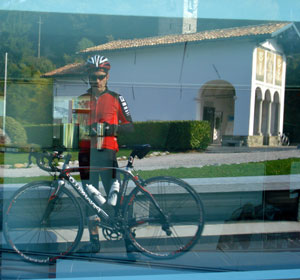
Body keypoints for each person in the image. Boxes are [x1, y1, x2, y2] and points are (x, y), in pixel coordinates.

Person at [75, 55, 133, 253]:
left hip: (107, 153)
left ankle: (129, 239)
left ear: (107, 76)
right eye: (93, 76)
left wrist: (108, 129)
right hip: (86, 154)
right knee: (89, 200)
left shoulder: (116, 98)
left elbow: (130, 127)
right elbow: (75, 130)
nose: (97, 80)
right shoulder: (81, 100)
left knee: (116, 197)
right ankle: (94, 242)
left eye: (101, 76)